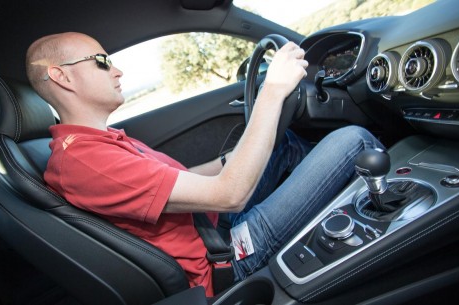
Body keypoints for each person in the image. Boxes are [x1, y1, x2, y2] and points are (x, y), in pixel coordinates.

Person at [26, 32, 383, 296]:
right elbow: (230, 195)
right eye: (102, 61)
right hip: (226, 258)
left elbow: (185, 180)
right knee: (352, 141)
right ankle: (382, 210)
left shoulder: (97, 142)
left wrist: (234, 157)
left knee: (283, 145)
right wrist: (272, 92)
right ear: (62, 76)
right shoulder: (86, 161)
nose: (117, 71)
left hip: (210, 225)